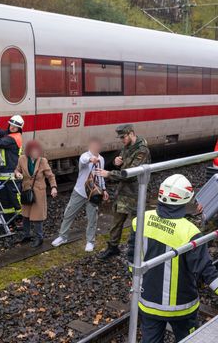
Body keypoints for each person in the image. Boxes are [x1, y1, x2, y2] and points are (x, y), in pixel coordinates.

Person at [128, 174, 218, 343]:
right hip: (181, 309)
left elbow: (132, 259)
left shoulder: (141, 219)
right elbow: (206, 271)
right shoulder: (189, 232)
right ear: (186, 198)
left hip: (148, 302)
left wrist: (136, 283)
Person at [96, 124, 151, 259]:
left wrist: (108, 174)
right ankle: (113, 247)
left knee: (136, 224)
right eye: (120, 137)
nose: (122, 140)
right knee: (116, 222)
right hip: (123, 192)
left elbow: (130, 173)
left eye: (123, 137)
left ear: (131, 133)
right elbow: (122, 164)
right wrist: (117, 162)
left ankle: (135, 251)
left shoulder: (142, 151)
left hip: (135, 193)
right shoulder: (127, 146)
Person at [51, 137, 108, 252]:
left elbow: (101, 176)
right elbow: (83, 160)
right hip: (80, 191)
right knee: (69, 214)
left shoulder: (101, 159)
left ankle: (90, 241)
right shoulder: (84, 156)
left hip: (93, 194)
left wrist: (104, 189)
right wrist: (91, 159)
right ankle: (63, 236)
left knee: (92, 218)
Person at [15, 140, 57, 248]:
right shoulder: (22, 159)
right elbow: (17, 170)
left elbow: (50, 176)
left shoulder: (43, 161)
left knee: (37, 216)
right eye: (33, 151)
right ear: (29, 151)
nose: (36, 153)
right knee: (25, 215)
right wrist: (18, 174)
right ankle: (27, 235)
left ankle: (39, 237)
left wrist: (53, 187)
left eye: (37, 151)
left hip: (39, 192)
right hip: (26, 191)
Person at [0, 115, 24, 223]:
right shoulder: (10, 134)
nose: (12, 127)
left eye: (15, 127)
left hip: (10, 173)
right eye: (11, 125)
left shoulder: (13, 138)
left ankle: (22, 220)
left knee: (14, 200)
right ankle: (9, 221)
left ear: (19, 129)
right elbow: (1, 133)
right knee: (5, 200)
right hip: (5, 173)